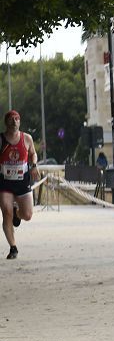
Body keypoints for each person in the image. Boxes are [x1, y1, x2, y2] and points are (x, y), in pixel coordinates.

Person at [1, 110, 40, 259]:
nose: (14, 122)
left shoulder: (27, 138)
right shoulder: (1, 139)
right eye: (11, 119)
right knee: (6, 212)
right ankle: (13, 247)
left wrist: (34, 164)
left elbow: (33, 153)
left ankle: (18, 213)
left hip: (22, 181)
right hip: (4, 182)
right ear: (6, 122)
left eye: (17, 119)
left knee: (28, 215)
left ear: (20, 122)